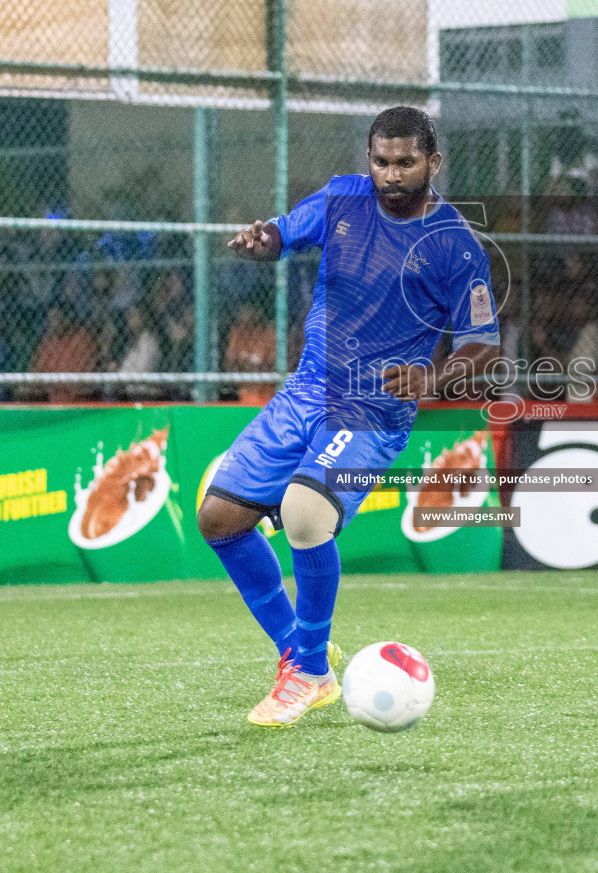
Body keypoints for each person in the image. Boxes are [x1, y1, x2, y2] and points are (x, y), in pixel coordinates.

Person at [197, 106, 500, 730]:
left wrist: (432, 379)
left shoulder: (455, 246)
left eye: (405, 163)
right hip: (307, 388)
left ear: (433, 163)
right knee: (219, 518)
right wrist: (264, 243)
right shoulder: (342, 200)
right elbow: (284, 231)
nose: (391, 175)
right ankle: (298, 650)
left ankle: (308, 673)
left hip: (376, 406)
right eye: (381, 162)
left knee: (307, 516)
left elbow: (483, 349)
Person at [224, 301, 277, 407]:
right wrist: (249, 363)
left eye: (249, 309)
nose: (244, 313)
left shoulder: (269, 331)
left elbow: (271, 362)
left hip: (267, 392)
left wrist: (249, 363)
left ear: (259, 311)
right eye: (242, 309)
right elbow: (230, 362)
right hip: (244, 391)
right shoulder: (238, 332)